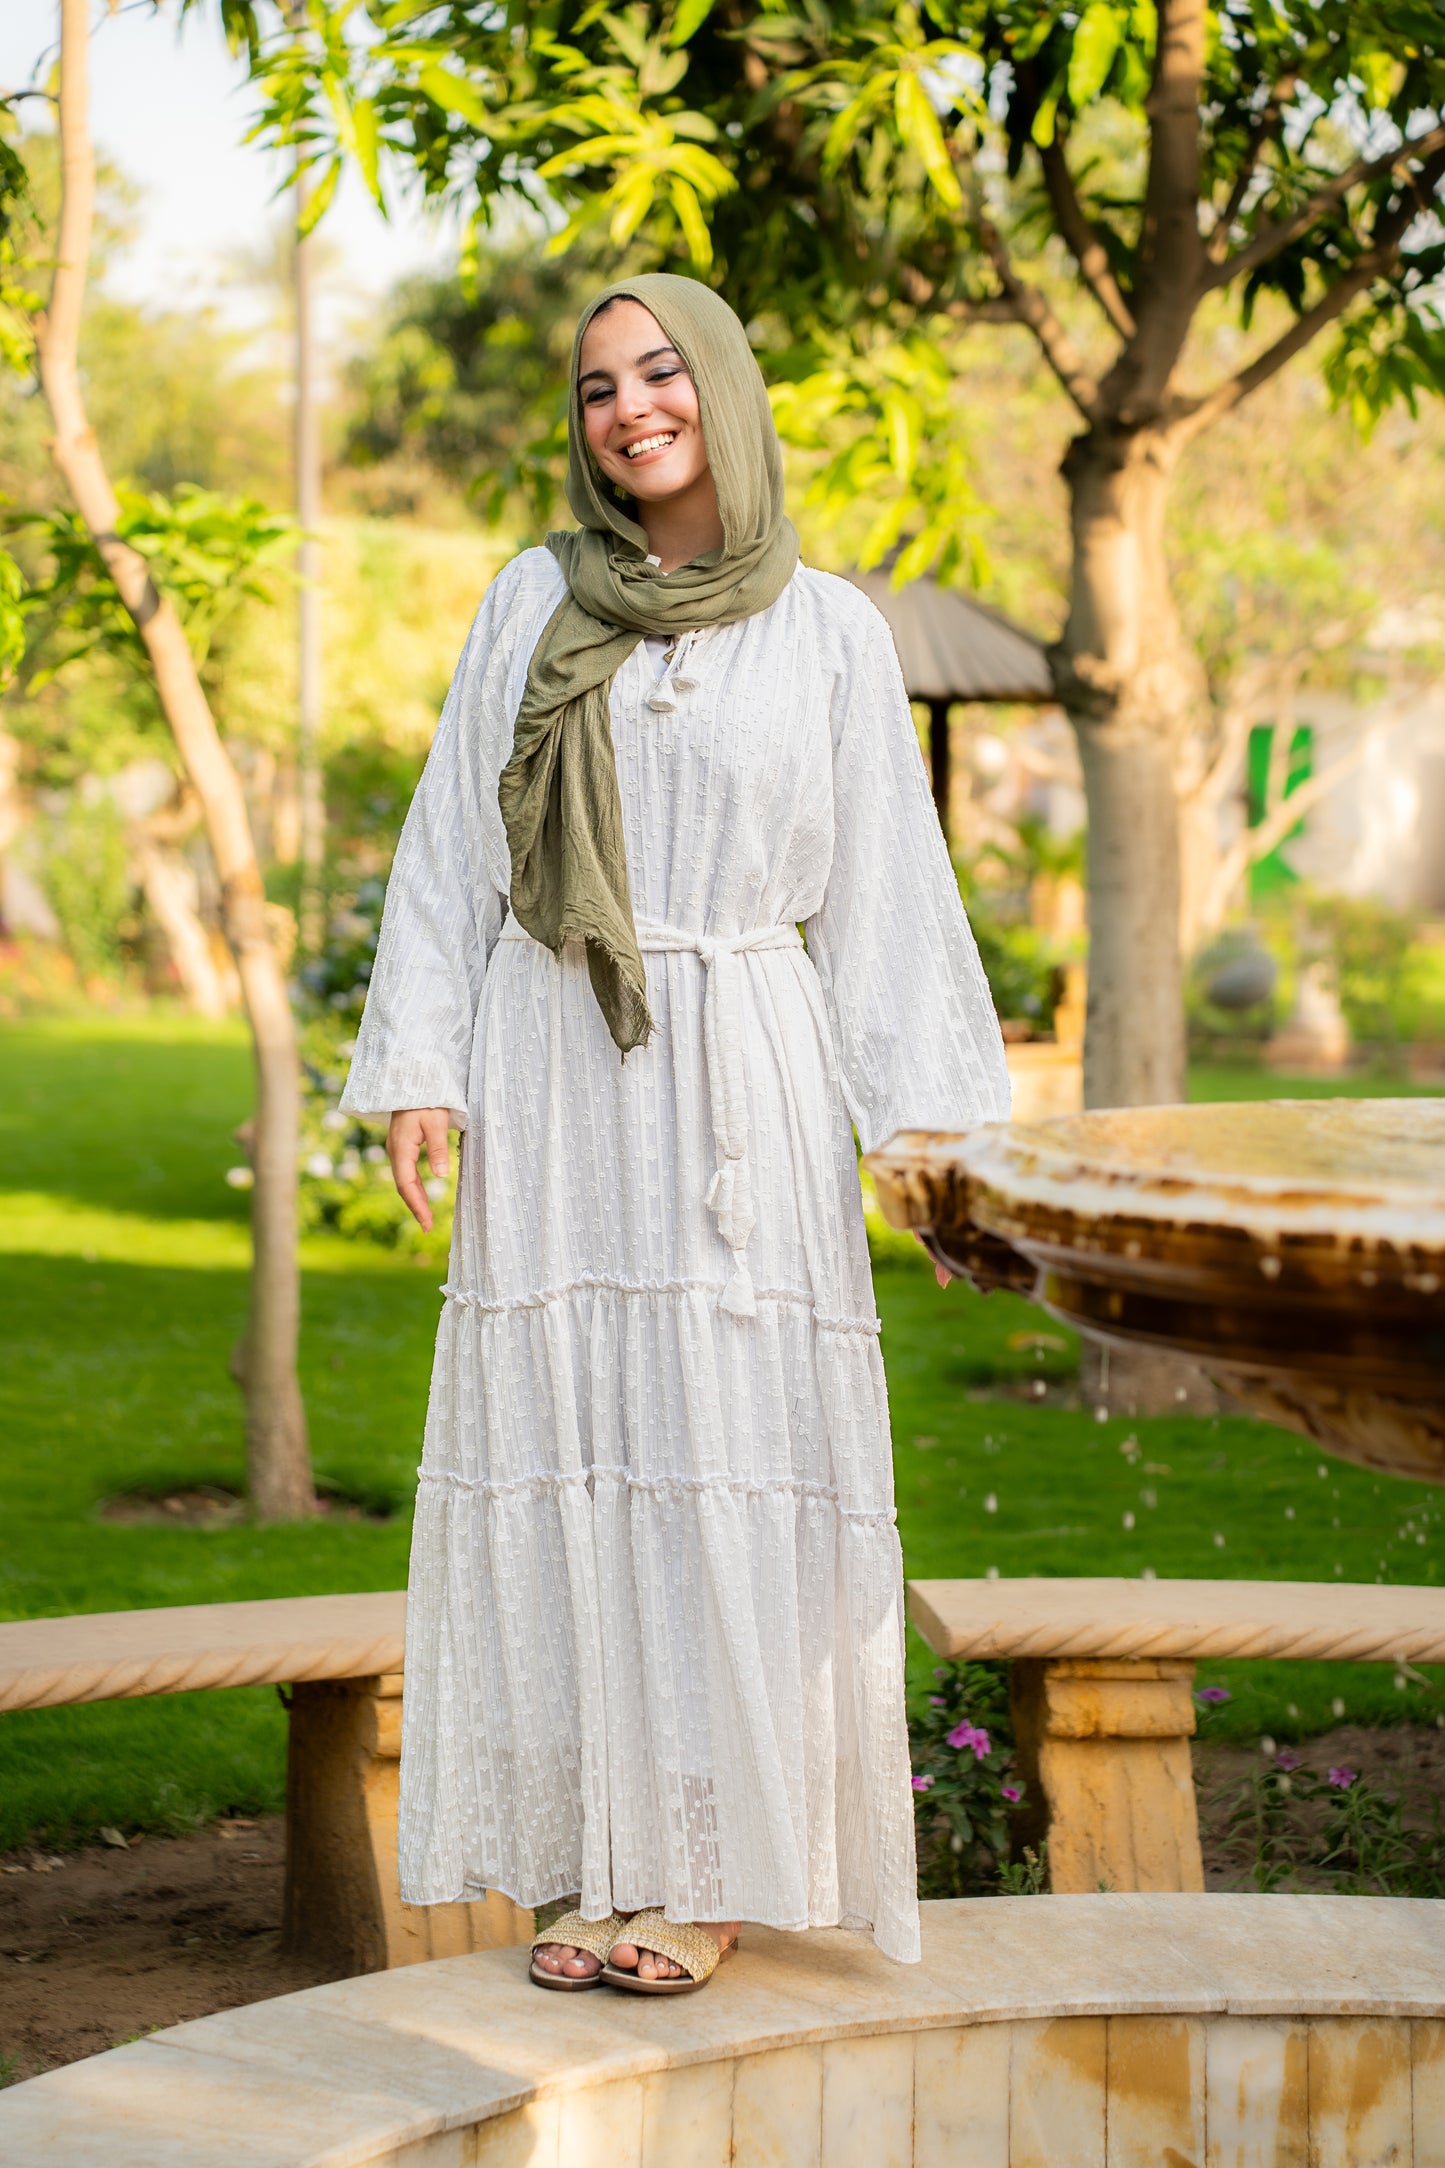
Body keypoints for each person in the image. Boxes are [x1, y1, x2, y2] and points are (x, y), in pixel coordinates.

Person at [340, 273, 1010, 1994]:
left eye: (658, 373)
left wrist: (929, 1145)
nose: (627, 406)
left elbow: (888, 901)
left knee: (728, 1447)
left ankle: (711, 1871)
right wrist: (424, 1066)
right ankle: (608, 1862)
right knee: (582, 1447)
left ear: (720, 386)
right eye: (592, 388)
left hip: (740, 1078)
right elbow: (446, 852)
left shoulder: (831, 633)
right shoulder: (529, 604)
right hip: (558, 1070)